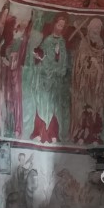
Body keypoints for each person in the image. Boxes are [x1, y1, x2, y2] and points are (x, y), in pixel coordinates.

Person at [27, 15, 71, 143]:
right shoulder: (47, 41)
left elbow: (63, 61)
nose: (60, 28)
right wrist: (42, 59)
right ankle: (40, 132)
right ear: (54, 24)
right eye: (59, 25)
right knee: (42, 103)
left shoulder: (62, 42)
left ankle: (52, 133)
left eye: (62, 26)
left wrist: (59, 62)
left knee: (54, 105)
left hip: (55, 79)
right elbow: (42, 56)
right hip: (44, 78)